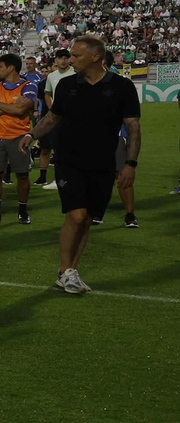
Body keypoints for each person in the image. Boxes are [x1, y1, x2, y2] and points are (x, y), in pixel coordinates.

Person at [27, 35, 141, 294]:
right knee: (76, 215)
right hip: (69, 160)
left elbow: (133, 128)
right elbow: (53, 118)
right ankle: (67, 271)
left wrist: (130, 163)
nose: (71, 60)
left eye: (76, 56)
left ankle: (68, 273)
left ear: (96, 57)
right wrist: (31, 135)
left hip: (103, 162)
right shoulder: (67, 85)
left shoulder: (122, 87)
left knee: (88, 219)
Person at [0, 53, 37, 227]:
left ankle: (22, 211)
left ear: (10, 67)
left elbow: (22, 110)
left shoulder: (29, 86)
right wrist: (11, 108)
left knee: (22, 175)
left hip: (19, 138)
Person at [36, 49, 73, 188]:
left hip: (73, 116)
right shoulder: (52, 76)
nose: (63, 60)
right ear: (56, 60)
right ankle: (59, 179)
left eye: (65, 57)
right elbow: (47, 94)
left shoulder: (75, 73)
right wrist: (53, 109)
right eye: (60, 58)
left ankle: (70, 177)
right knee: (57, 147)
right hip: (58, 117)